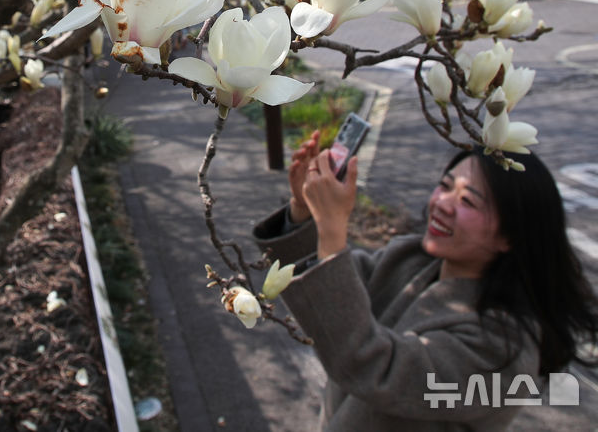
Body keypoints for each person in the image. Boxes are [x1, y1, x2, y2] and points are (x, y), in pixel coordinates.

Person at [254, 132, 598, 431]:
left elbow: (374, 368)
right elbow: (331, 296)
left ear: (511, 235)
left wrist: (332, 229)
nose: (442, 204)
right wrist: (304, 210)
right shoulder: (413, 260)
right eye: (445, 186)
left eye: (467, 201)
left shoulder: (502, 349)